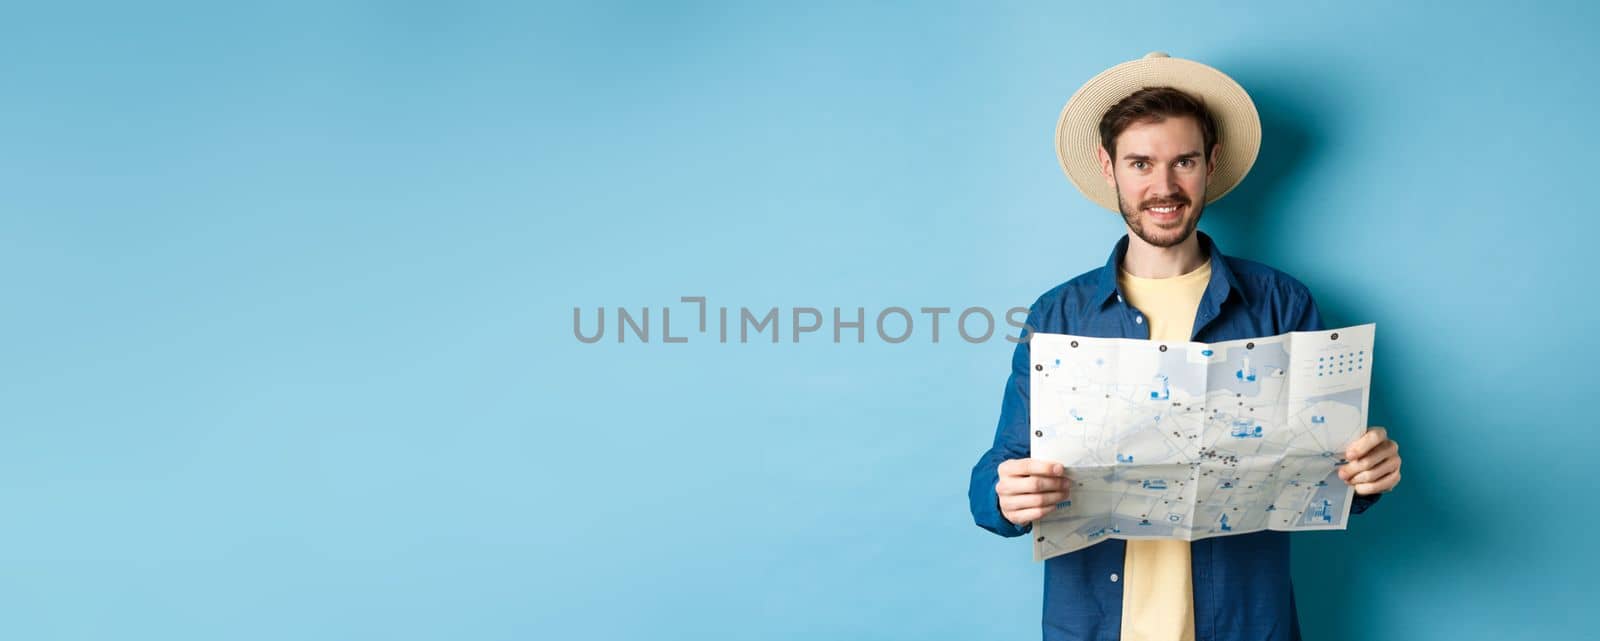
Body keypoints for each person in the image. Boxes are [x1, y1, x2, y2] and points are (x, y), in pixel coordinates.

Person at [967, 53, 1402, 641]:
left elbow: (1329, 470)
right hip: (1097, 622)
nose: (1164, 187)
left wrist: (1367, 474)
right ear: (1109, 167)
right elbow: (998, 472)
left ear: (1210, 164)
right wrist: (1005, 493)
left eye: (1184, 162)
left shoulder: (1282, 304)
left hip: (1246, 623)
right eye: (1141, 163)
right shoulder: (1057, 315)